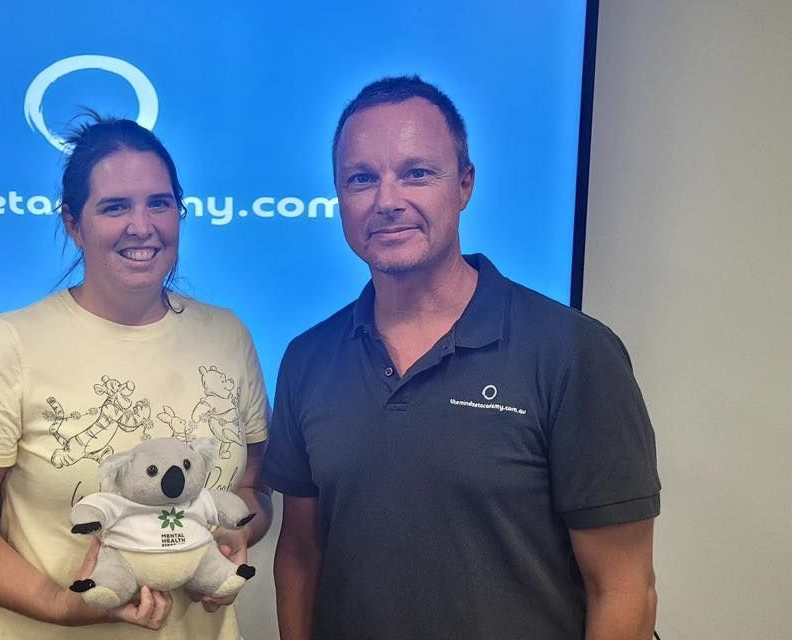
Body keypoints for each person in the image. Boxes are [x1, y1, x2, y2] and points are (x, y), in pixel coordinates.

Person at [263, 75, 660, 639]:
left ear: (464, 183)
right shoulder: (307, 358)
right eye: (361, 179)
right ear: (338, 197)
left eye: (416, 173)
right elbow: (301, 554)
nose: (387, 201)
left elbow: (623, 588)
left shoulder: (573, 353)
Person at [0, 116, 272, 639]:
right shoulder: (10, 345)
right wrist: (60, 605)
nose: (142, 225)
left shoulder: (228, 335)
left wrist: (235, 536)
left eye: (159, 202)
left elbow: (249, 489)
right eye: (114, 207)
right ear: (73, 224)